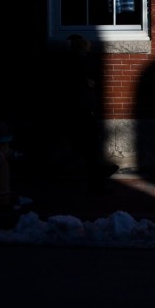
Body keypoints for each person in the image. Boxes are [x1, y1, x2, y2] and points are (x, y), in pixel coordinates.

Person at [54, 34, 118, 193]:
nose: (87, 52)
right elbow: (79, 85)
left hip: (80, 110)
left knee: (85, 146)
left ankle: (95, 175)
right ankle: (96, 176)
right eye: (85, 49)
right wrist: (87, 84)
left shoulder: (74, 62)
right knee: (88, 144)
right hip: (80, 110)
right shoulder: (76, 63)